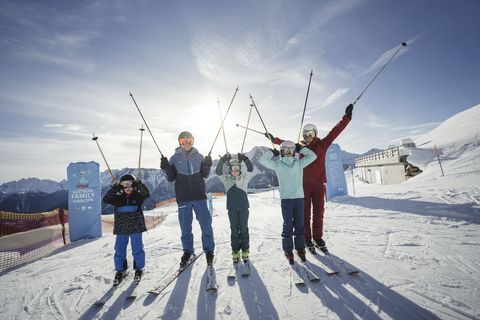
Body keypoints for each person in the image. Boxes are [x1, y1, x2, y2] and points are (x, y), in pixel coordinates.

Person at [265, 104, 353, 253]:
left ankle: (317, 237)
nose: (308, 137)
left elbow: (335, 132)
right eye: (306, 134)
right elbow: (285, 144)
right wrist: (274, 140)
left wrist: (346, 118)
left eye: (311, 134)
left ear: (315, 134)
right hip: (303, 186)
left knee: (318, 214)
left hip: (318, 185)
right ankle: (306, 238)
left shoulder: (322, 145)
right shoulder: (298, 147)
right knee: (305, 215)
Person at [160, 131, 215, 267]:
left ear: (193, 141)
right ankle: (188, 251)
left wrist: (207, 165)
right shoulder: (174, 158)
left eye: (189, 140)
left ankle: (209, 250)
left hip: (199, 196)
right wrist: (166, 167)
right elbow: (171, 178)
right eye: (183, 141)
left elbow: (205, 174)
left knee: (206, 224)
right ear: (179, 142)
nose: (186, 143)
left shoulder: (199, 156)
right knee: (185, 227)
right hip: (183, 198)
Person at [259, 140, 317, 264]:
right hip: (286, 200)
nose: (289, 153)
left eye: (291, 150)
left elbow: (313, 156)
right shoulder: (278, 165)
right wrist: (271, 152)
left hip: (299, 199)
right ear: (281, 152)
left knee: (300, 225)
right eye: (285, 150)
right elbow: (262, 160)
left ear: (294, 151)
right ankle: (288, 250)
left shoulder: (299, 163)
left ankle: (300, 249)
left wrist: (301, 148)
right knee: (288, 226)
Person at [102, 174, 150, 284]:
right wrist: (115, 189)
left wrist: (139, 184)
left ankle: (138, 269)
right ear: (121, 187)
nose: (127, 187)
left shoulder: (137, 197)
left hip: (136, 225)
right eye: (124, 185)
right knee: (119, 249)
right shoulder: (118, 198)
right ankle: (120, 270)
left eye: (130, 184)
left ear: (133, 185)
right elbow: (106, 199)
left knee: (137, 248)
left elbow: (146, 193)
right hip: (121, 226)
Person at [215, 152, 254, 263]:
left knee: (244, 229)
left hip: (243, 208)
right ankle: (235, 251)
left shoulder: (244, 177)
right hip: (232, 209)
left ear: (240, 169)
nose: (235, 170)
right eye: (233, 168)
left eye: (237, 168)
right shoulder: (227, 179)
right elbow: (218, 171)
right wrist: (222, 160)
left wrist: (245, 158)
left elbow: (250, 168)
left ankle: (245, 250)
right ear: (230, 169)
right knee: (234, 230)